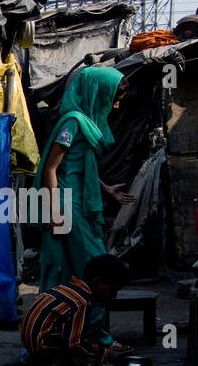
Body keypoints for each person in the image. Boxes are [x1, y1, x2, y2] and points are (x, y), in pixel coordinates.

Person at [34, 66, 135, 292]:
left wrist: (105, 188)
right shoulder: (73, 123)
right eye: (114, 98)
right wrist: (54, 211)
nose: (116, 105)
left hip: (80, 202)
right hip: (67, 203)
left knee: (75, 264)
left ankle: (80, 321)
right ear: (97, 93)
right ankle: (71, 318)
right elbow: (50, 168)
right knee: (95, 264)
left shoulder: (86, 124)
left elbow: (77, 165)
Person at [20, 254, 132, 366]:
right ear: (96, 281)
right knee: (85, 354)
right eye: (112, 289)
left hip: (33, 346)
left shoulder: (69, 289)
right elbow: (74, 344)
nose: (113, 295)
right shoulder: (80, 302)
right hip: (44, 352)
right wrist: (107, 354)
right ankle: (56, 363)